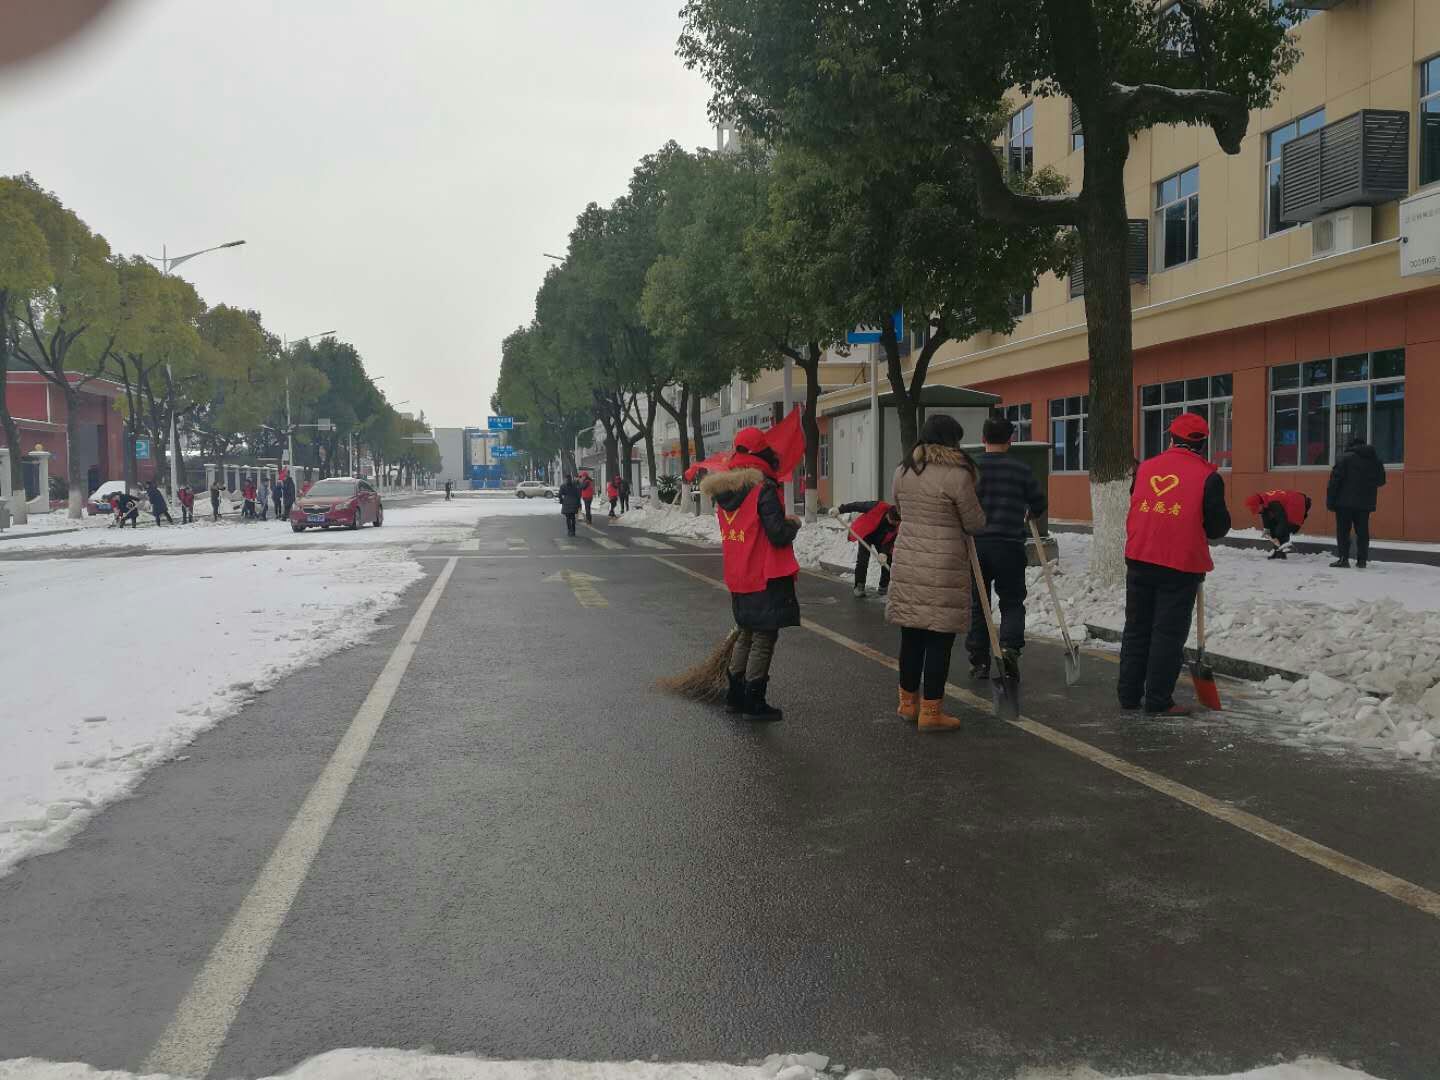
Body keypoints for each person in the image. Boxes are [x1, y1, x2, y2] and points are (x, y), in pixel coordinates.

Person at [1119, 412, 1231, 717]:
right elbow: (1217, 528)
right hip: (1179, 565)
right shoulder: (1208, 477)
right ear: (1203, 443)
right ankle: (1158, 700)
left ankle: (1128, 695)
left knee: (1136, 628)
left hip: (1139, 557)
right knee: (1167, 634)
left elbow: (1137, 501)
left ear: (1172, 439)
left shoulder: (1145, 468)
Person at [885, 414, 986, 733]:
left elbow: (900, 510)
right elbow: (974, 522)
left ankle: (907, 704)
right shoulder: (958, 474)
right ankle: (931, 712)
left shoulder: (903, 470)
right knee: (939, 638)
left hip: (909, 561)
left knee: (911, 636)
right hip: (944, 564)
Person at [699, 426, 801, 721]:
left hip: (738, 574)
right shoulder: (762, 489)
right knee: (764, 637)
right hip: (763, 575)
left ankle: (735, 695)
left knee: (746, 633)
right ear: (761, 452)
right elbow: (777, 534)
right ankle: (754, 701)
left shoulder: (724, 492)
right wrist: (792, 524)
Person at [967, 415, 1048, 680]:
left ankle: (979, 659)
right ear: (1010, 440)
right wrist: (1030, 512)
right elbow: (1038, 502)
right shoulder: (1020, 469)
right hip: (1010, 545)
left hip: (977, 545)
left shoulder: (973, 469)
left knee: (979, 602)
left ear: (983, 439)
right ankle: (1009, 648)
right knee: (1012, 601)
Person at [1327, 436, 1386, 569]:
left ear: (1350, 446)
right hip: (1365, 503)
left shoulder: (1344, 458)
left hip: (1343, 503)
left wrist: (1330, 501)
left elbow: (1334, 482)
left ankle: (1343, 559)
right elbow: (1381, 481)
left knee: (1343, 531)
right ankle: (1362, 561)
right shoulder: (1375, 460)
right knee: (1362, 532)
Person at [835, 499, 900, 598]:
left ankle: (884, 587)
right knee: (863, 559)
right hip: (867, 533)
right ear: (888, 515)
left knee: (887, 560)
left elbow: (890, 540)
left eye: (896, 522)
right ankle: (859, 586)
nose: (894, 524)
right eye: (892, 521)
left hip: (882, 540)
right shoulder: (877, 506)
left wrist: (884, 552)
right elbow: (856, 505)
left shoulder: (897, 525)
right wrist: (840, 509)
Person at [1244, 488, 1311, 559]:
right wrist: (1267, 529)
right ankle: (1279, 551)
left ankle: (1283, 550)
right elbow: (1265, 515)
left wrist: (1278, 533)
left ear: (1259, 504)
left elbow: (1282, 520)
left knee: (1283, 528)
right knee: (1275, 529)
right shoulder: (1264, 500)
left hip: (1297, 502)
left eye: (1257, 509)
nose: (1258, 512)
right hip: (1292, 502)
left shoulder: (1273, 503)